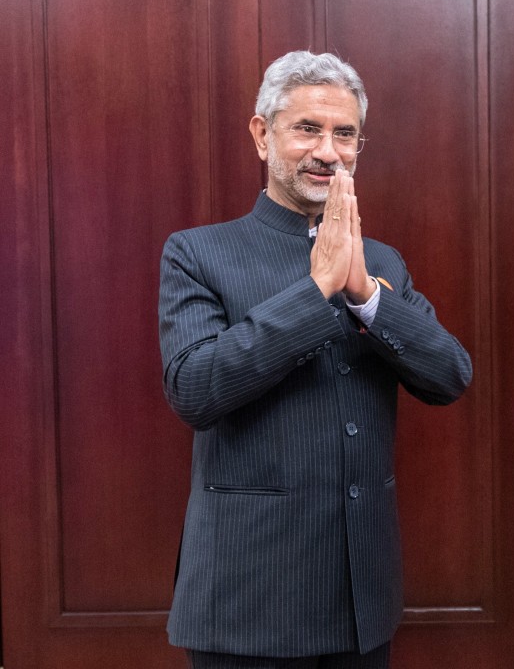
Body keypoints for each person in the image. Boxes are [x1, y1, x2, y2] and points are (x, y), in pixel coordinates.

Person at [158, 50, 473, 669]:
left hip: (362, 599)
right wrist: (317, 290)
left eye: (345, 134)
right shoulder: (197, 253)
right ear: (261, 134)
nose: (328, 151)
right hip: (244, 602)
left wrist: (365, 296)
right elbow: (194, 389)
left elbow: (450, 376)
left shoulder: (380, 263)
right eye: (308, 128)